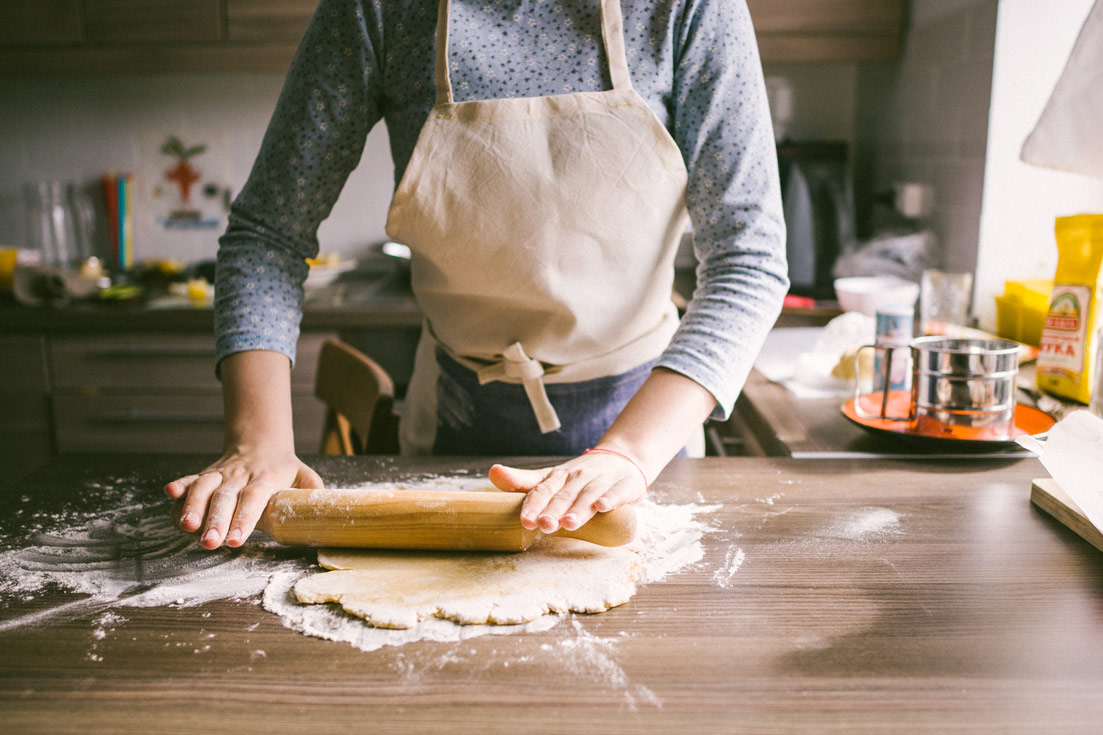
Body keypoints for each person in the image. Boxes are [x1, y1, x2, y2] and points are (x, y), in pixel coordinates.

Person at [165, 0, 788, 549]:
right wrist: (258, 438)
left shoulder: (688, 7)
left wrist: (629, 453)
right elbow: (266, 235)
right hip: (455, 426)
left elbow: (749, 261)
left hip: (651, 434)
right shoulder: (378, 10)